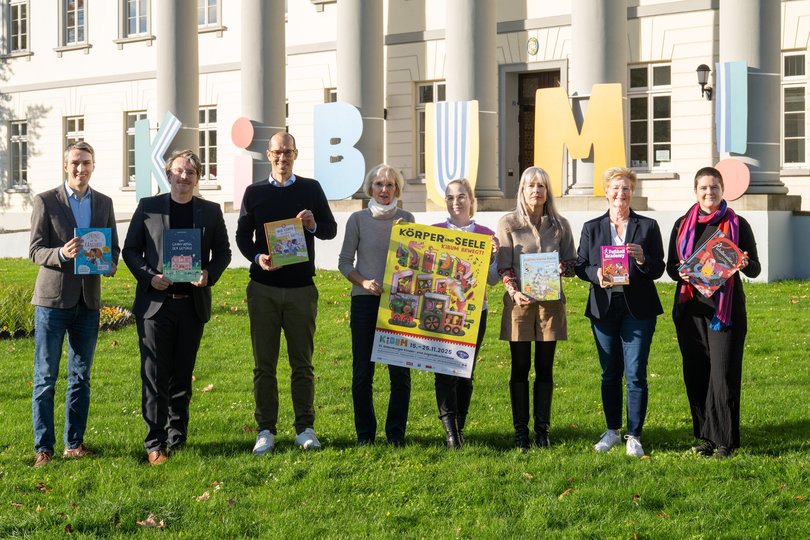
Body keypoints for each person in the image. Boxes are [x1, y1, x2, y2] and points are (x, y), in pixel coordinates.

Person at [122, 149, 231, 466]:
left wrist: (209, 274)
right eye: (180, 171)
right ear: (168, 173)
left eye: (191, 173)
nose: (185, 177)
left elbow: (222, 253)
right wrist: (148, 277)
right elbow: (131, 251)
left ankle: (177, 438)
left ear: (198, 178)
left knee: (182, 376)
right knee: (155, 376)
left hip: (191, 306)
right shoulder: (149, 208)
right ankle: (155, 442)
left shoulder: (209, 212)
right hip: (156, 306)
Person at [236, 132, 337, 454]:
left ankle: (304, 427)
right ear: (269, 155)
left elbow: (330, 230)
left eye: (288, 152)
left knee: (302, 364)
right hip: (263, 288)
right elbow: (241, 236)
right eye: (278, 152)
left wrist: (312, 225)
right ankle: (266, 429)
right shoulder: (254, 192)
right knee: (263, 364)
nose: (283, 157)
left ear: (296, 153)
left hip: (300, 290)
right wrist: (257, 257)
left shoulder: (311, 189)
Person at [28, 141, 120, 467]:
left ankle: (74, 443)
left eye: (87, 163)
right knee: (46, 377)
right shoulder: (46, 202)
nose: (81, 169)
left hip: (88, 301)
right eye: (76, 163)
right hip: (53, 302)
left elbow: (114, 248)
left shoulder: (104, 203)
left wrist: (110, 264)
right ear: (66, 166)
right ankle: (44, 448)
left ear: (94, 166)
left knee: (81, 375)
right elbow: (35, 250)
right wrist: (60, 254)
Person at [666, 167, 760, 459]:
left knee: (723, 375)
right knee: (697, 374)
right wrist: (681, 273)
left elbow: (755, 268)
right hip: (691, 311)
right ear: (696, 192)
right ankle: (706, 437)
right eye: (704, 188)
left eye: (715, 187)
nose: (709, 193)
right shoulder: (682, 224)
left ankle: (725, 441)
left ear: (723, 190)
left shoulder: (737, 224)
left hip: (726, 311)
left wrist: (744, 263)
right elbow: (671, 267)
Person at [575, 167, 665, 458]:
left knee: (636, 374)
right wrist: (595, 273)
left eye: (626, 188)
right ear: (606, 191)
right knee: (609, 373)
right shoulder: (592, 227)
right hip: (604, 309)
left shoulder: (647, 226)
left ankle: (634, 435)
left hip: (637, 310)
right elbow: (580, 265)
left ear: (632, 192)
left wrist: (642, 260)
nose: (620, 193)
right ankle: (612, 430)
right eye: (615, 188)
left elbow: (659, 267)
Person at [496, 167, 576, 452]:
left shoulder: (559, 225)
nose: (536, 191)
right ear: (522, 190)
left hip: (551, 306)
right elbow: (503, 265)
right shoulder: (508, 223)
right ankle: (521, 432)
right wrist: (513, 291)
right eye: (531, 185)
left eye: (541, 186)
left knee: (544, 368)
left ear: (547, 191)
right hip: (519, 304)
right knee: (520, 368)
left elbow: (572, 263)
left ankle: (542, 431)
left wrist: (562, 267)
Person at [338, 164, 415, 447]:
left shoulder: (407, 218)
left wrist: (406, 238)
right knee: (362, 373)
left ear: (397, 189)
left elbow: (414, 264)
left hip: (398, 305)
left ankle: (396, 435)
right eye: (379, 184)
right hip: (364, 303)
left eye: (390, 185)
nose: (384, 190)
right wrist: (363, 282)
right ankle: (365, 435)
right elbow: (344, 263)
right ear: (370, 188)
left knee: (400, 373)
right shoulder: (357, 219)